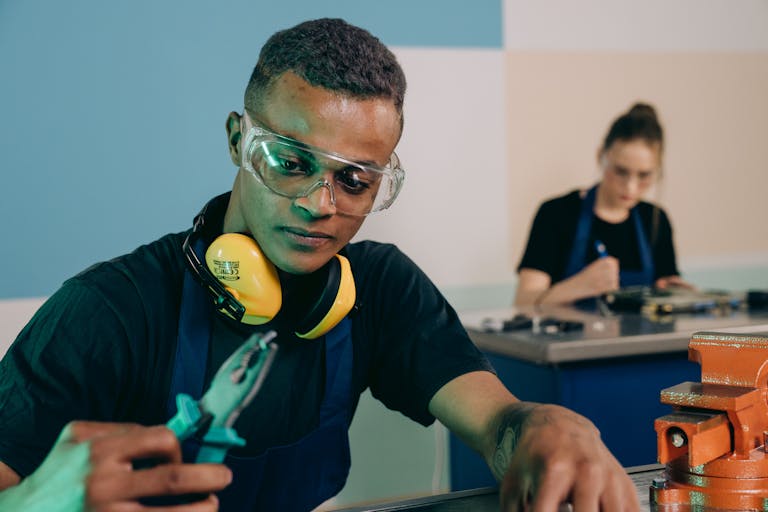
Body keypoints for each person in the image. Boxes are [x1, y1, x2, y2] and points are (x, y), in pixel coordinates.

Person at [0, 18, 639, 511]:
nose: (318, 206)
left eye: (355, 180)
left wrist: (545, 424)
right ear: (236, 141)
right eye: (292, 162)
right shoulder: (108, 310)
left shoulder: (380, 290)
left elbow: (501, 424)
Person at [515, 103, 692, 307]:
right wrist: (578, 286)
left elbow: (662, 302)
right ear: (601, 156)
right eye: (621, 171)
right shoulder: (556, 214)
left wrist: (673, 295)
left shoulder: (655, 220)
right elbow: (522, 304)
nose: (631, 187)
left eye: (644, 175)